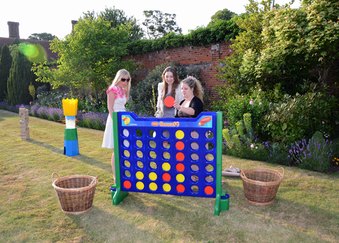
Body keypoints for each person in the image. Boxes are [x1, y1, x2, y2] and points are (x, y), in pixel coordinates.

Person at [102, 69, 131, 179]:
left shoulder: (123, 90)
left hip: (123, 119)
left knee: (123, 147)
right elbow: (110, 108)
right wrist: (116, 122)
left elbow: (123, 105)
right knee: (116, 148)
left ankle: (122, 172)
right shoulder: (112, 90)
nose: (126, 82)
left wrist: (126, 89)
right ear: (118, 78)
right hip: (115, 119)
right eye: (123, 79)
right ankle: (116, 176)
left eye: (127, 80)